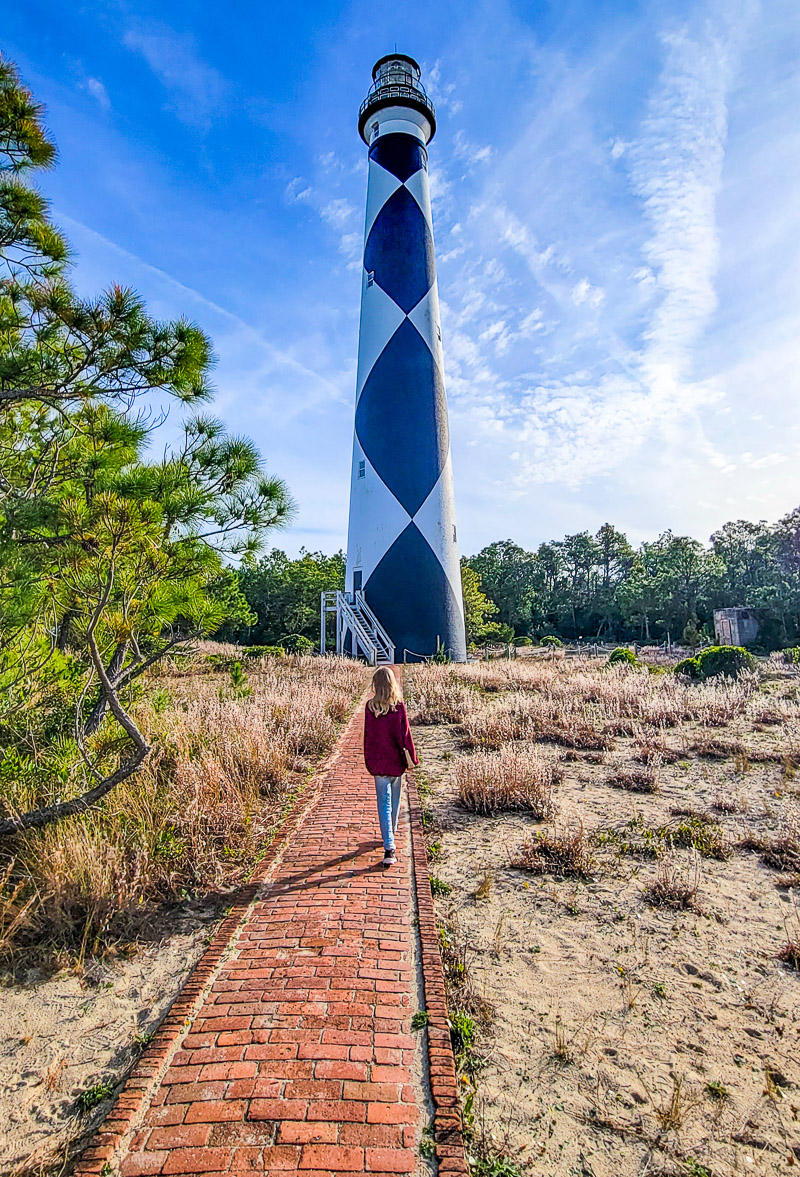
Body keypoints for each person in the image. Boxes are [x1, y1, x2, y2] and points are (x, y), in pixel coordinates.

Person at [363, 666, 418, 866]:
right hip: (396, 761)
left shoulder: (370, 708)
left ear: (376, 685)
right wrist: (412, 757)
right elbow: (406, 736)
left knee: (384, 804)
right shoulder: (399, 707)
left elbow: (368, 737)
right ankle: (390, 839)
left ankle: (389, 844)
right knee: (394, 802)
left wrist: (369, 759)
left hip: (379, 761)